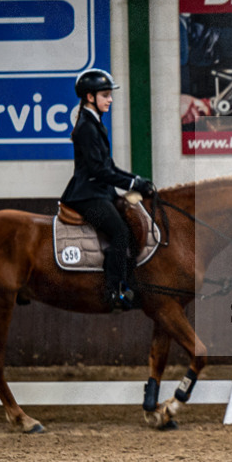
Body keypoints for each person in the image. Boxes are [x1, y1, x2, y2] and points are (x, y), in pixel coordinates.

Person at [61, 69, 155, 310]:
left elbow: (108, 166)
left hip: (100, 191)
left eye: (109, 95)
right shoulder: (86, 127)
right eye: (105, 95)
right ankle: (114, 291)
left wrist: (136, 179)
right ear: (90, 97)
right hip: (87, 194)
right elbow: (98, 171)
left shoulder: (95, 123)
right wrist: (133, 184)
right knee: (120, 233)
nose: (110, 99)